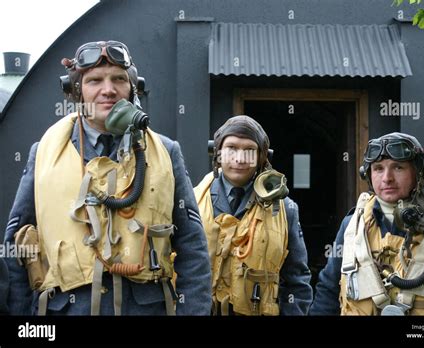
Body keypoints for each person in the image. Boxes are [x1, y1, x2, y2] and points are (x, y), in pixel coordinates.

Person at [3, 40, 211, 315]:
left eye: (119, 79)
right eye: (94, 81)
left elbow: (192, 246)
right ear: (76, 91)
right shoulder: (43, 154)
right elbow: (17, 244)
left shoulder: (166, 152)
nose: (108, 90)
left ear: (132, 88)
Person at [310, 132, 424, 315]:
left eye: (398, 168)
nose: (387, 178)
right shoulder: (352, 227)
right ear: (368, 174)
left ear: (421, 171)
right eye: (378, 168)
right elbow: (327, 296)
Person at [194, 115, 313, 315]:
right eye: (231, 148)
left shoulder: (285, 210)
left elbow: (297, 280)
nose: (240, 159)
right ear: (217, 153)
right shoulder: (191, 201)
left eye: (249, 151)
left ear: (262, 157)